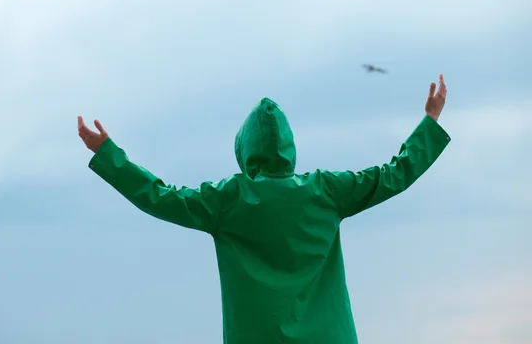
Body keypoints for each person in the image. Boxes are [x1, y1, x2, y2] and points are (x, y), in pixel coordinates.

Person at [77, 74, 450, 344]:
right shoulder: (326, 191)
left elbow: (158, 196)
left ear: (244, 150)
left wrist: (110, 156)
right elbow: (393, 175)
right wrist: (429, 123)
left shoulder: (227, 200)